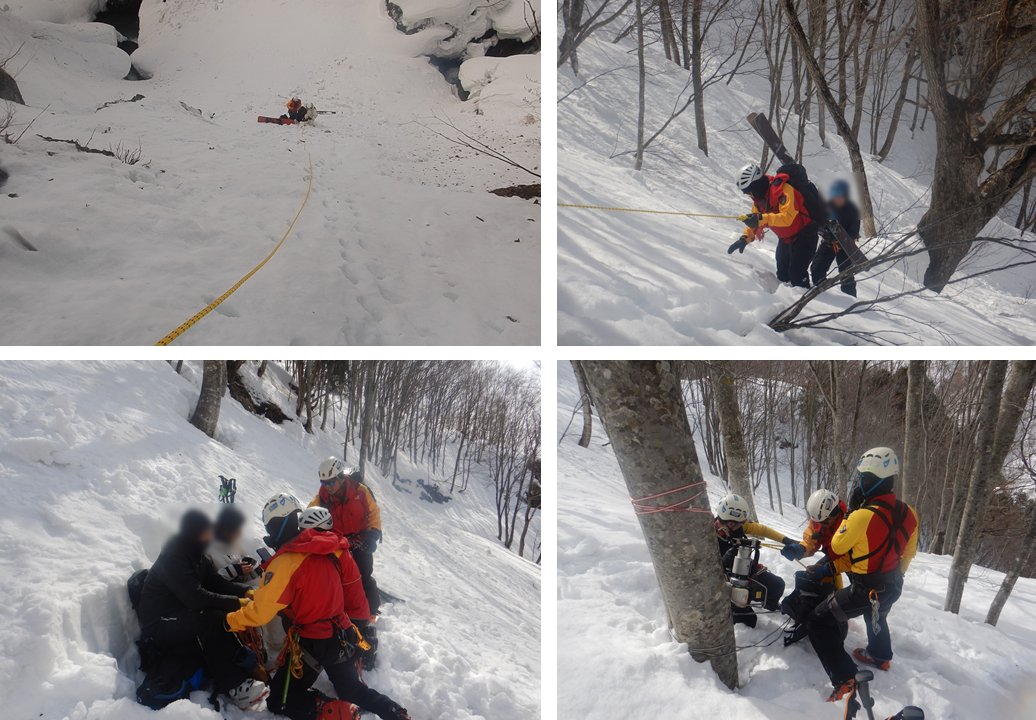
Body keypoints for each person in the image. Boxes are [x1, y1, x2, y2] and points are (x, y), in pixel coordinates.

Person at [226, 494, 411, 720]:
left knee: (278, 700)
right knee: (352, 689)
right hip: (341, 634)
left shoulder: (285, 563)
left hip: (311, 643)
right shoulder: (328, 547)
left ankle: (339, 712)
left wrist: (231, 620)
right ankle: (394, 712)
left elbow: (260, 613)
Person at [805, 448, 919, 702]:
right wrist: (892, 576)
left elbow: (836, 546)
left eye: (862, 479)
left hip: (865, 589)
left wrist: (849, 514)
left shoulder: (860, 516)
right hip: (893, 584)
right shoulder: (909, 513)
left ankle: (845, 677)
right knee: (877, 614)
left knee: (818, 621)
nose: (859, 483)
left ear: (868, 482)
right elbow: (909, 552)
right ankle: (881, 656)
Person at [137, 509, 268, 709]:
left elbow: (216, 583)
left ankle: (243, 665)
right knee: (209, 619)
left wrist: (247, 592)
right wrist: (236, 602)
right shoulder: (174, 557)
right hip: (159, 623)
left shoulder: (197, 554)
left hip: (178, 615)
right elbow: (195, 598)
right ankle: (234, 686)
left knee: (219, 616)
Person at [729, 162, 821, 288]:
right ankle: (787, 301)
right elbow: (756, 222)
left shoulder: (783, 189)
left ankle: (807, 301)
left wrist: (762, 218)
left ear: (755, 186)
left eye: (749, 192)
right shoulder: (759, 200)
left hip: (805, 236)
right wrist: (745, 238)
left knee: (797, 276)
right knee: (782, 275)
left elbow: (787, 217)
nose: (748, 195)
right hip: (785, 239)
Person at [713, 493, 798, 627]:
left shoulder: (739, 526)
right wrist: (724, 561)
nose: (738, 528)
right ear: (726, 521)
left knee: (777, 585)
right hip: (723, 580)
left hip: (744, 568)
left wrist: (786, 540)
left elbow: (762, 530)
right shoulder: (708, 534)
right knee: (749, 621)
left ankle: (767, 604)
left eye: (741, 524)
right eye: (734, 525)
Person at [312, 457, 383, 616]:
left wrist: (373, 535)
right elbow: (312, 512)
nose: (328, 487)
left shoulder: (360, 491)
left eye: (331, 482)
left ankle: (371, 610)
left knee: (364, 573)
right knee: (340, 577)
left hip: (361, 539)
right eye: (324, 483)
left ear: (341, 478)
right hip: (339, 542)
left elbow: (373, 512)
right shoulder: (323, 496)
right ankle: (345, 607)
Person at [779, 489, 850, 645]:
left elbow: (850, 559)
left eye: (824, 522)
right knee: (813, 576)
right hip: (833, 555)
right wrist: (800, 549)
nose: (820, 525)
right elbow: (811, 540)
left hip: (857, 562)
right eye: (818, 522)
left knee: (856, 594)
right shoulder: (820, 517)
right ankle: (812, 614)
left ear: (835, 513)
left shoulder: (849, 522)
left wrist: (828, 568)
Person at [810, 179, 861, 296]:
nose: (838, 199)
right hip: (828, 243)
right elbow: (817, 222)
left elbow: (854, 231)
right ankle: (823, 293)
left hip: (845, 246)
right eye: (836, 196)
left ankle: (850, 298)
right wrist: (823, 231)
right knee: (816, 268)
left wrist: (842, 237)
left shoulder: (852, 210)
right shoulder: (827, 207)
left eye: (840, 196)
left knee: (846, 274)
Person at [207, 505, 262, 586]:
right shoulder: (209, 551)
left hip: (254, 587)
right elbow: (210, 582)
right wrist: (235, 570)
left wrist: (254, 568)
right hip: (236, 592)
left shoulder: (235, 544)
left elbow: (245, 562)